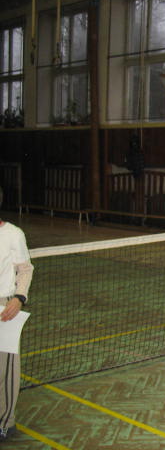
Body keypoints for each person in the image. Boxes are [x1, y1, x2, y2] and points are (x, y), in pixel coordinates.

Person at [0, 187, 34, 442]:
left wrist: (18, 298)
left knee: (6, 370)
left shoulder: (13, 234)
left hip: (5, 309)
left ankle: (5, 422)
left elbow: (25, 269)